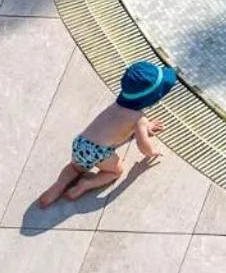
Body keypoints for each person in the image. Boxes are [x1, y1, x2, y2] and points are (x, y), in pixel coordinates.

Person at [37, 60, 177, 207]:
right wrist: (152, 151)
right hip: (100, 153)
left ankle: (59, 185)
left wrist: (147, 125)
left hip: (81, 142)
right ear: (152, 99)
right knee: (116, 172)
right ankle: (86, 184)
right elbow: (142, 145)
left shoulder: (116, 105)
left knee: (74, 167)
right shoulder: (138, 118)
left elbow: (120, 125)